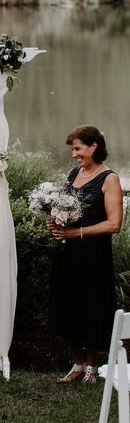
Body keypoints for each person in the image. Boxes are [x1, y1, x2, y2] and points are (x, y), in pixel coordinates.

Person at [47, 125, 123, 384]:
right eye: (72, 149)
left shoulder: (109, 179)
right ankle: (76, 364)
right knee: (69, 304)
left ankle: (91, 368)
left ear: (94, 147)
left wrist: (77, 233)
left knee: (91, 305)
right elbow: (64, 209)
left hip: (93, 256)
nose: (74, 155)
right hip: (67, 254)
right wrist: (55, 222)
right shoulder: (72, 174)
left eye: (77, 148)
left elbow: (114, 224)